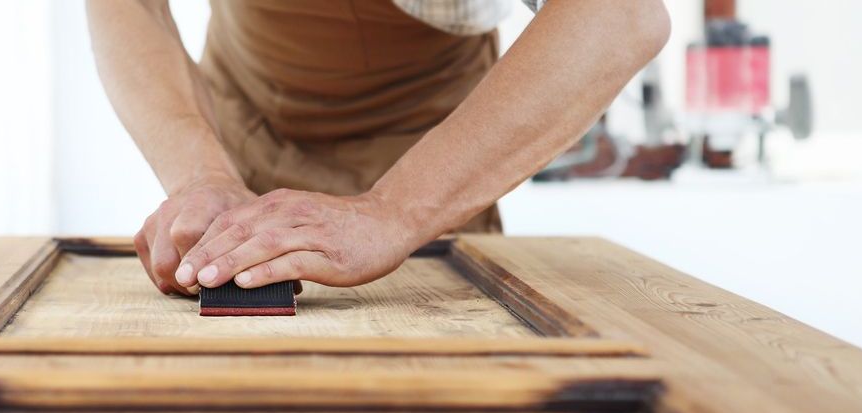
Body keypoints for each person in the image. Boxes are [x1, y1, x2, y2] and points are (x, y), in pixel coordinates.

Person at [87, 0, 670, 295]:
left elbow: (621, 14)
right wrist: (197, 175)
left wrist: (393, 212)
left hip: (424, 143)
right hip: (242, 120)